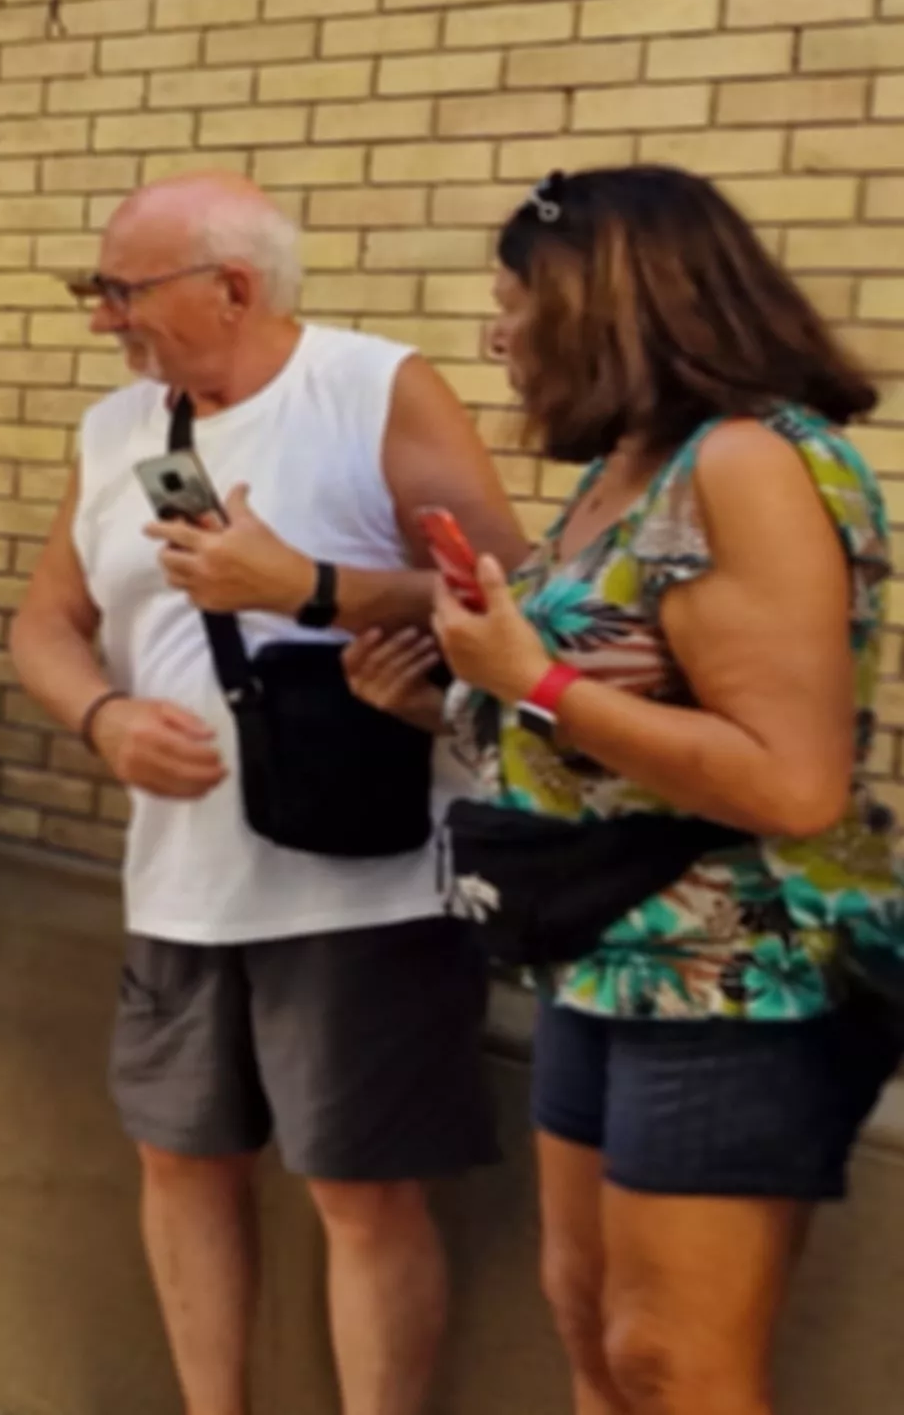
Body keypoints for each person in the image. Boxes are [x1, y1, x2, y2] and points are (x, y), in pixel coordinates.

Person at [344, 167, 895, 1415]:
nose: (497, 335)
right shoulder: (629, 469)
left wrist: (527, 677)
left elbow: (794, 783)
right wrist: (450, 702)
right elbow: (611, 738)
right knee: (591, 1329)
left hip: (734, 970)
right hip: (602, 951)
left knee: (675, 1364)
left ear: (603, 303)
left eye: (512, 301)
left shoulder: (746, 464)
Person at [6, 173, 525, 1415]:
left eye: (119, 291)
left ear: (230, 287)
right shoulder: (115, 429)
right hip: (178, 882)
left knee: (359, 1193)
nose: (101, 320)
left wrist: (303, 584)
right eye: (96, 291)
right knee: (180, 1166)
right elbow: (44, 624)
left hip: (361, 879)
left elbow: (509, 593)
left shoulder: (370, 387)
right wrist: (103, 715)